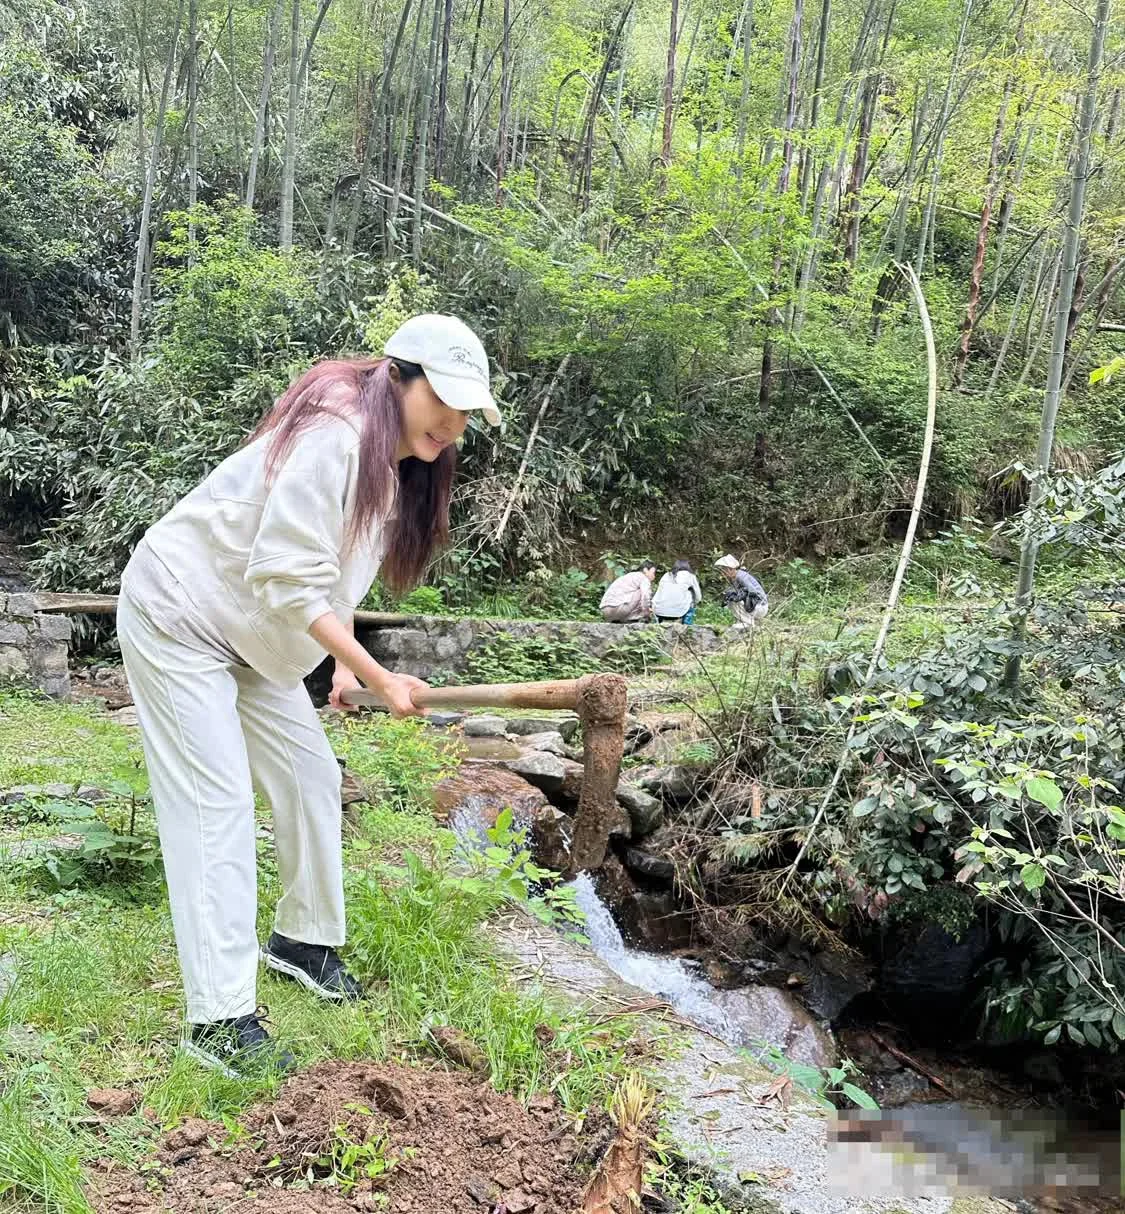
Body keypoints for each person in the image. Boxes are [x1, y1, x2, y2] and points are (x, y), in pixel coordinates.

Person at [115, 314, 501, 1076]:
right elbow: (286, 576)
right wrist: (385, 675)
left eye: (466, 411)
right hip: (182, 610)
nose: (452, 424)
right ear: (399, 377)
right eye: (443, 401)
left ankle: (302, 940)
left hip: (258, 635)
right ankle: (219, 1018)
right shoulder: (334, 436)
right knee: (214, 803)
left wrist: (348, 670)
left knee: (311, 775)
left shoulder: (388, 462)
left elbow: (331, 571)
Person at [714, 553, 768, 632]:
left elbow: (752, 592)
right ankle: (743, 621)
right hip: (755, 606)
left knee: (734, 601)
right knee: (730, 600)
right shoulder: (735, 578)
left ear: (730, 569)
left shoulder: (740, 577)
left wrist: (739, 596)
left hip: (760, 607)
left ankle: (748, 623)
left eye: (724, 570)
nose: (723, 573)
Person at [652, 559, 703, 625]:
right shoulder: (690, 576)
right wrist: (694, 604)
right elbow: (698, 596)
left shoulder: (666, 575)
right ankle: (687, 626)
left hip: (659, 611)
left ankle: (657, 627)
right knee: (690, 594)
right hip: (680, 611)